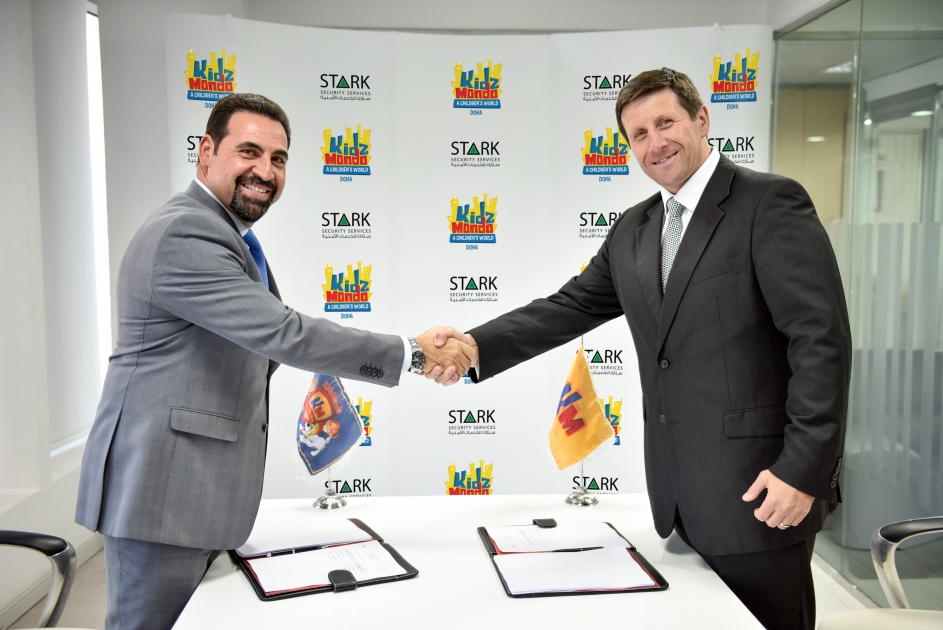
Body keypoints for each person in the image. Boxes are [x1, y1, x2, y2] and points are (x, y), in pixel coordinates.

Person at [427, 68, 850, 630]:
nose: (655, 144)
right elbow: (570, 306)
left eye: (666, 123)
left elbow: (820, 341)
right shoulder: (634, 228)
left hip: (763, 492)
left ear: (702, 119)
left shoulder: (769, 202)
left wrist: (802, 470)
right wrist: (474, 346)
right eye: (639, 134)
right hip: (680, 501)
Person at [75, 93, 473, 630]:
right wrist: (415, 353)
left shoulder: (230, 235)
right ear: (206, 152)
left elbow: (262, 341)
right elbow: (284, 333)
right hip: (161, 492)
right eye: (249, 152)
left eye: (278, 158)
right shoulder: (185, 231)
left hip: (191, 491)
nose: (264, 171)